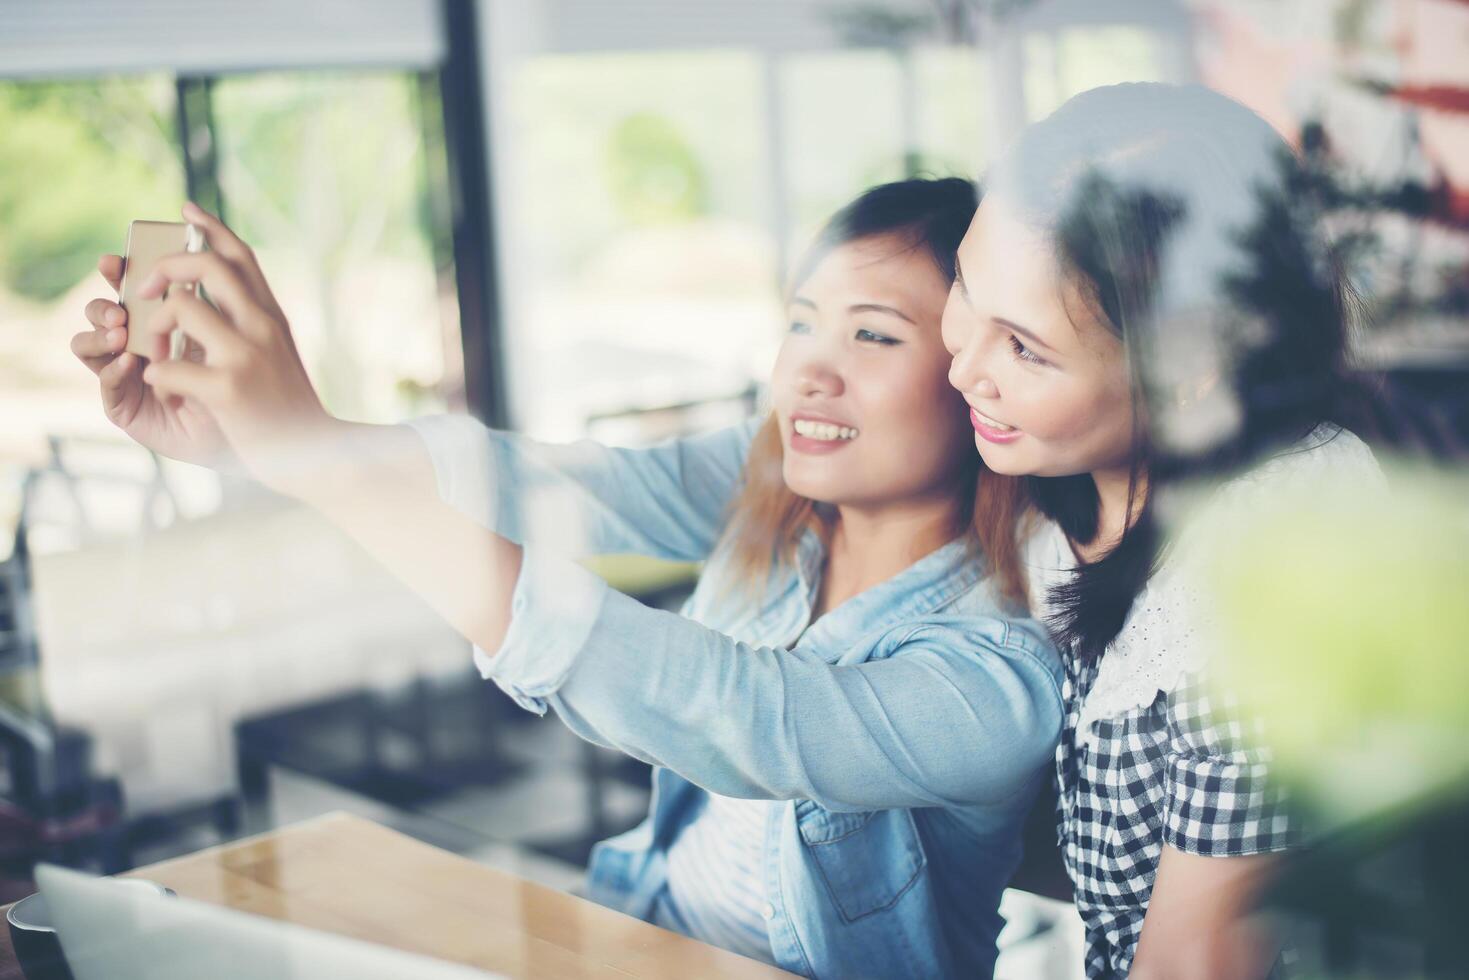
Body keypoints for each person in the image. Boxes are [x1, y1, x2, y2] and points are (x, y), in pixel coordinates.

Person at [72, 178, 1063, 978]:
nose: (809, 369)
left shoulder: (995, 673)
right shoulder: (769, 485)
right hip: (639, 939)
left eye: (874, 334)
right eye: (801, 322)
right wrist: (271, 440)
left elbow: (736, 710)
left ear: (978, 383)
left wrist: (309, 458)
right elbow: (538, 483)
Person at [940, 83, 1385, 979]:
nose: (961, 368)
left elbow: (1198, 955)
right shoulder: (1059, 476)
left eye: (1024, 348)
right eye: (961, 285)